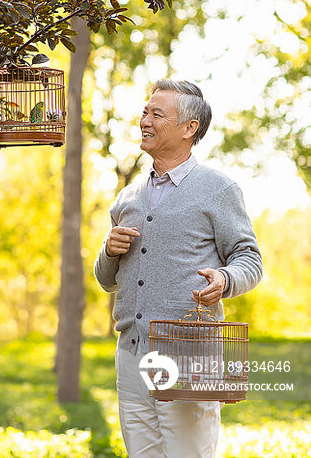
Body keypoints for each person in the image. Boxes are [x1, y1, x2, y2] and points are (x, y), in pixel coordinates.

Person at [93, 79, 263, 458]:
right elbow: (107, 280)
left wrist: (225, 278)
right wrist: (108, 251)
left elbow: (249, 259)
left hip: (188, 357)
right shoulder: (128, 197)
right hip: (131, 354)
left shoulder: (218, 190)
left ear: (189, 128)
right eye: (144, 112)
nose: (145, 121)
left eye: (157, 114)